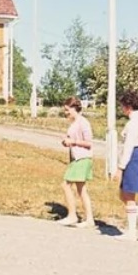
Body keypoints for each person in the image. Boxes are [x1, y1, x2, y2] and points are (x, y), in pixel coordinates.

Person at [113, 89, 138, 241]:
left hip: (133, 158)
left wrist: (120, 167)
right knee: (123, 194)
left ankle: (131, 232)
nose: (122, 108)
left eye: (122, 105)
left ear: (127, 106)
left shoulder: (134, 123)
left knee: (129, 195)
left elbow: (128, 146)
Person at [58, 97, 95, 229]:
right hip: (77, 158)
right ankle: (89, 219)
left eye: (67, 110)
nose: (66, 112)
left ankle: (72, 215)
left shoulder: (83, 122)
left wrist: (73, 142)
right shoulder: (75, 123)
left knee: (66, 185)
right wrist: (66, 141)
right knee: (81, 189)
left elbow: (89, 143)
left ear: (74, 108)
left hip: (82, 158)